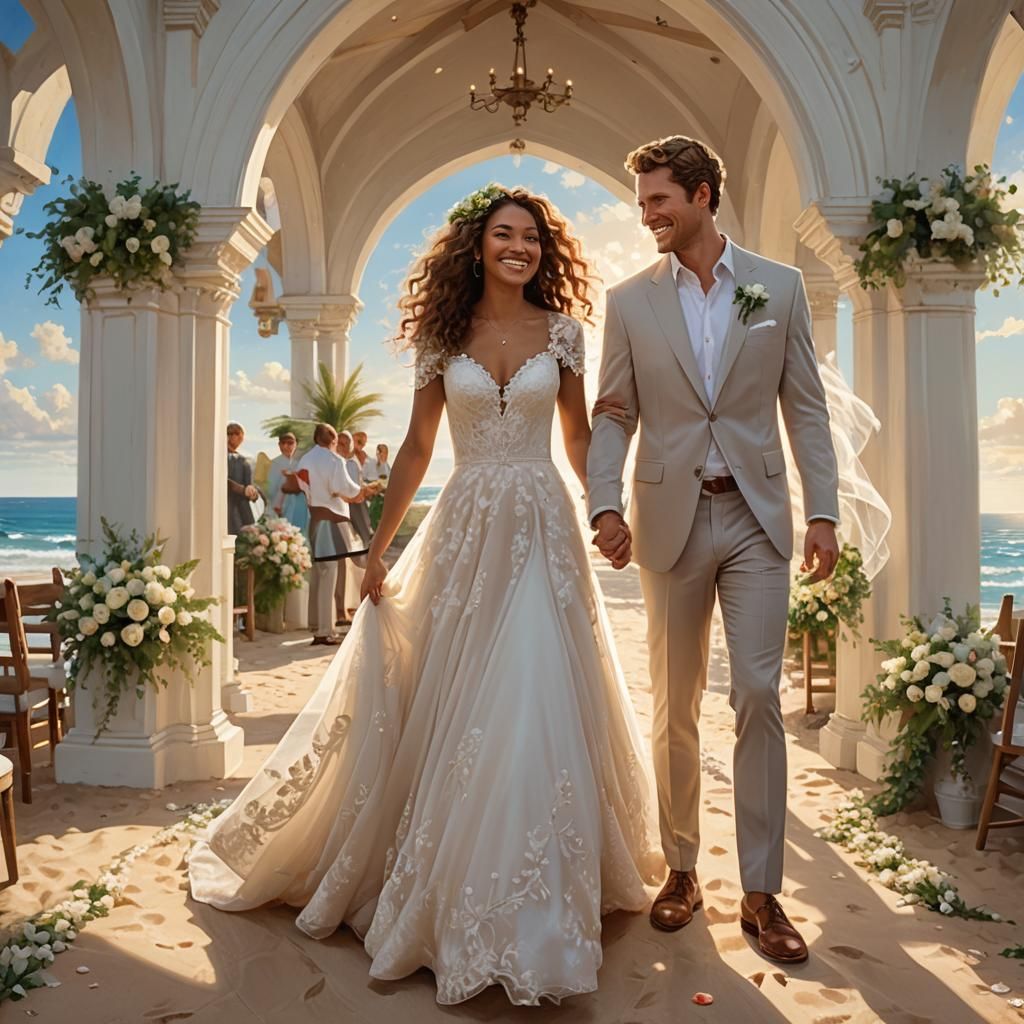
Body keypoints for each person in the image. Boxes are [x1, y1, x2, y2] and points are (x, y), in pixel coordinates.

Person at [189, 184, 661, 1006]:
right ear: (477, 246)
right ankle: (465, 902)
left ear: (544, 253)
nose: (520, 247)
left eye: (533, 238)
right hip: (467, 523)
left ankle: (536, 914)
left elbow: (578, 437)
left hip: (544, 526)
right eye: (505, 234)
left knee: (537, 683)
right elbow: (414, 448)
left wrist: (608, 511)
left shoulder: (564, 334)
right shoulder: (444, 337)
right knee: (467, 691)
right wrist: (377, 550)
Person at [587, 135, 840, 965]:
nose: (647, 214)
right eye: (642, 202)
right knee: (674, 704)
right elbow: (614, 412)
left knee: (761, 696)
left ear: (701, 196)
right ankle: (684, 869)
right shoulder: (628, 301)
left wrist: (823, 512)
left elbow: (804, 408)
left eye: (659, 199)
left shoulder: (778, 287)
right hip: (669, 519)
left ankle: (762, 893)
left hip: (760, 520)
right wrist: (605, 502)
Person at [293, 423, 367, 647]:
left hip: (314, 518)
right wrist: (362, 491)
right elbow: (343, 488)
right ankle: (325, 631)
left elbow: (302, 485)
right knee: (332, 571)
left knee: (320, 572)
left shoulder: (304, 460)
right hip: (333, 519)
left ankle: (317, 625)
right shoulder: (335, 460)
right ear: (333, 440)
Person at [334, 429, 372, 622]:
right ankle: (342, 608)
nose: (342, 446)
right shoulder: (337, 464)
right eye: (339, 443)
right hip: (344, 514)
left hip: (357, 512)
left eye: (345, 443)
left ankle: (355, 604)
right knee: (346, 562)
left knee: (359, 559)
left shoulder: (352, 462)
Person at [266, 432, 309, 534]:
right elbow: (270, 489)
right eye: (283, 443)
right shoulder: (273, 464)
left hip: (300, 506)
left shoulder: (300, 464)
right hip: (281, 507)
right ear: (279, 445)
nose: (286, 446)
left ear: (296, 444)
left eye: (290, 443)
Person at [226, 422, 259, 535]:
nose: (241, 439)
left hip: (242, 510)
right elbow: (223, 481)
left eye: (241, 436)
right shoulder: (219, 457)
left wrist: (253, 492)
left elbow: (248, 484)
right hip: (227, 507)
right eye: (237, 435)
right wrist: (243, 490)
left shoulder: (243, 461)